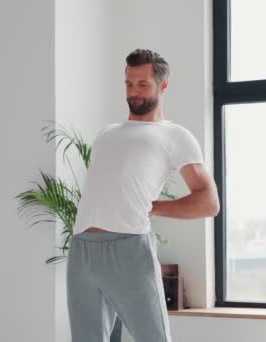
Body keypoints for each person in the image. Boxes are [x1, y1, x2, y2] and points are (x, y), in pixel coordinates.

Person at [66, 48, 220, 342]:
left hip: (128, 250)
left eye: (142, 84)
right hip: (82, 249)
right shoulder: (107, 134)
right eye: (128, 84)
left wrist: (156, 207)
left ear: (163, 86)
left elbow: (208, 201)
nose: (133, 92)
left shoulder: (175, 136)